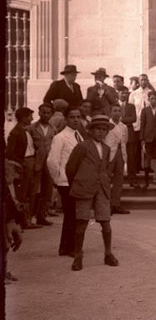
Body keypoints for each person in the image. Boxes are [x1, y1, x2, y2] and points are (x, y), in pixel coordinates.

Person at [65, 114, 119, 271]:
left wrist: (105, 180)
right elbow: (71, 168)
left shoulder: (107, 149)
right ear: (91, 131)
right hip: (84, 189)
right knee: (81, 223)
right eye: (98, 129)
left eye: (104, 130)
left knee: (106, 224)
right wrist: (77, 184)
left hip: (101, 189)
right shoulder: (83, 146)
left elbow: (104, 168)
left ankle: (108, 253)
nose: (101, 132)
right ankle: (77, 256)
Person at [47, 107, 84, 257]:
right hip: (65, 182)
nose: (76, 120)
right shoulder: (60, 137)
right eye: (72, 117)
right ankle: (69, 248)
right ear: (66, 119)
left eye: (78, 117)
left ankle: (65, 247)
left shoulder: (78, 135)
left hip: (76, 181)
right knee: (71, 215)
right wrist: (58, 178)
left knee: (72, 215)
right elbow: (52, 161)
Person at [30, 104, 56, 226]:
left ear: (51, 114)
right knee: (33, 190)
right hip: (36, 163)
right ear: (39, 113)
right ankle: (28, 217)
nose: (45, 115)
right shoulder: (31, 128)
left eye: (48, 113)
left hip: (49, 163)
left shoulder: (53, 129)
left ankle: (42, 216)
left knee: (47, 190)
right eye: (43, 112)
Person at [105, 104, 131, 215]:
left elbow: (125, 141)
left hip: (120, 153)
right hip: (109, 154)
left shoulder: (123, 126)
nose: (116, 113)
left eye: (118, 110)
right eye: (114, 110)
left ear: (121, 113)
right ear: (110, 112)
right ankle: (106, 205)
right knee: (106, 180)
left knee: (119, 181)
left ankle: (116, 204)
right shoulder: (106, 125)